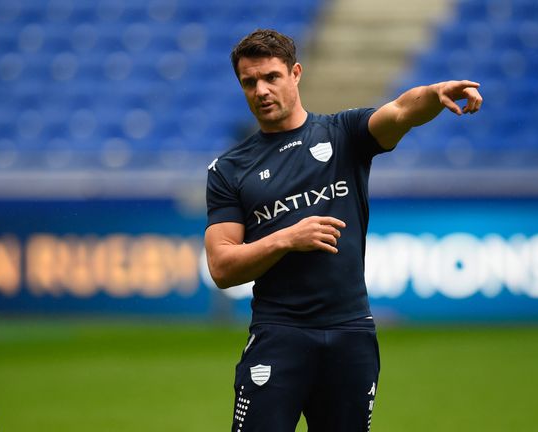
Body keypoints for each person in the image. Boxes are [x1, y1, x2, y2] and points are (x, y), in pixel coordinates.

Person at [205, 29, 482, 431]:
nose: (261, 90)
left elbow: (402, 110)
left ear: (295, 73)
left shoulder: (344, 134)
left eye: (271, 77)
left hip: (350, 332)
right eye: (250, 82)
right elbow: (222, 266)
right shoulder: (229, 169)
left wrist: (435, 93)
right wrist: (286, 238)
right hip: (279, 333)